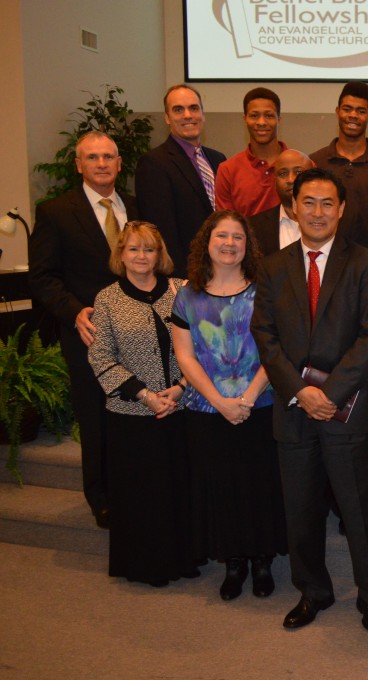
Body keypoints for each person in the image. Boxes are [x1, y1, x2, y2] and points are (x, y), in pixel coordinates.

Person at [251, 168, 368, 634]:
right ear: (293, 207)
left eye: (327, 203)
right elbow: (265, 336)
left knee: (361, 509)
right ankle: (313, 591)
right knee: (302, 510)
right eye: (307, 202)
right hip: (294, 412)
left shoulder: (365, 263)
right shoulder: (272, 266)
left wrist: (328, 394)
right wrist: (300, 391)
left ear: (342, 209)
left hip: (348, 410)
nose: (317, 211)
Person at [171, 210, 288, 602]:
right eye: (222, 236)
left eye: (238, 237)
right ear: (208, 241)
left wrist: (249, 398)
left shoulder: (264, 289)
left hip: (261, 403)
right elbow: (185, 358)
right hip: (208, 410)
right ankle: (234, 561)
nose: (229, 244)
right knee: (221, 487)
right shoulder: (187, 295)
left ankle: (262, 560)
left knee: (260, 484)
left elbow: (276, 349)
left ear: (247, 245)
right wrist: (219, 402)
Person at [29, 131, 139, 528]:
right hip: (88, 334)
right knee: (97, 417)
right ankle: (101, 496)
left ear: (119, 163)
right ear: (78, 165)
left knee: (136, 412)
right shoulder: (55, 212)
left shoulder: (139, 210)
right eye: (92, 157)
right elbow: (43, 277)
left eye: (108, 156)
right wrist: (75, 312)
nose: (101, 163)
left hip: (138, 335)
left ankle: (134, 488)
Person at [87, 222, 190, 586]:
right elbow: (101, 358)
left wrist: (179, 389)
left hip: (181, 408)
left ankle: (185, 559)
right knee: (142, 493)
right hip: (132, 414)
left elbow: (204, 348)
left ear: (160, 254)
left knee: (179, 487)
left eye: (149, 249)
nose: (141, 256)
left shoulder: (183, 290)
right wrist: (145, 395)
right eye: (133, 249)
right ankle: (146, 565)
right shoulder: (107, 299)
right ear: (121, 254)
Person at [136, 84, 226, 278]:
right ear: (167, 118)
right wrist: (180, 280)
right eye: (178, 110)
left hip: (223, 268)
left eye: (194, 108)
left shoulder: (218, 159)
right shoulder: (153, 163)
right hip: (185, 276)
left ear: (203, 114)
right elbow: (161, 230)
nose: (188, 115)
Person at [311, 82, 368, 249]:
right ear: (337, 112)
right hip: (325, 260)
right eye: (347, 109)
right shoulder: (315, 162)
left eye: (361, 111)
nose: (353, 115)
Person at [215, 87, 288, 217]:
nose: (261, 122)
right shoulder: (228, 171)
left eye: (269, 115)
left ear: (279, 119)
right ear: (245, 119)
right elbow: (227, 225)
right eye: (254, 116)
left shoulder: (302, 166)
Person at [249, 149, 313, 256]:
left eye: (298, 172)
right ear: (274, 181)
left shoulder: (332, 223)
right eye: (283, 173)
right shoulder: (254, 227)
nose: (291, 180)